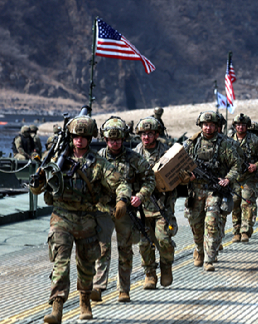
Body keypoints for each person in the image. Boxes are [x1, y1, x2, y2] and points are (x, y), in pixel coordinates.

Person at [29, 115, 131, 322]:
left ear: (90, 138)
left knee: (86, 265)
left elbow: (121, 183)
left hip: (86, 219)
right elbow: (37, 189)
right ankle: (57, 308)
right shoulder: (57, 161)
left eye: (84, 136)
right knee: (60, 262)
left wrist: (122, 200)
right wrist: (37, 181)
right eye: (76, 136)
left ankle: (85, 302)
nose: (79, 140)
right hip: (61, 218)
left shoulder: (99, 164)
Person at [91, 116, 156, 303]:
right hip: (103, 209)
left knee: (125, 249)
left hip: (126, 210)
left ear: (123, 139)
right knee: (102, 248)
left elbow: (149, 178)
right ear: (105, 139)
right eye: (111, 140)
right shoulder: (98, 158)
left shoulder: (134, 158)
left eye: (118, 139)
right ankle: (98, 286)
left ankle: (123, 290)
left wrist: (141, 196)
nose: (115, 143)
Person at [183, 111, 242, 271]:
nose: (208, 128)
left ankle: (209, 259)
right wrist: (188, 176)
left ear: (217, 126)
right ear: (200, 125)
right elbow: (180, 165)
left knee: (212, 223)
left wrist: (227, 179)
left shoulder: (224, 144)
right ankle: (199, 251)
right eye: (205, 125)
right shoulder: (191, 143)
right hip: (195, 191)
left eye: (211, 125)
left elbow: (236, 165)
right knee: (196, 225)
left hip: (214, 191)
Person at [134, 117, 178, 288]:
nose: (146, 137)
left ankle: (166, 267)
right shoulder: (134, 154)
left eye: (150, 134)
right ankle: (150, 274)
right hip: (141, 207)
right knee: (144, 243)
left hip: (162, 206)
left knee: (163, 240)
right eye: (143, 134)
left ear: (157, 134)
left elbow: (178, 177)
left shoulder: (168, 154)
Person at [229, 113, 258, 242]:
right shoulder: (229, 141)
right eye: (238, 125)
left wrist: (256, 165)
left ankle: (245, 231)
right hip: (235, 178)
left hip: (251, 178)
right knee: (235, 203)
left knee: (247, 203)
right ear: (235, 126)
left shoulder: (254, 140)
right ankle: (236, 231)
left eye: (243, 125)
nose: (240, 127)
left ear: (247, 126)